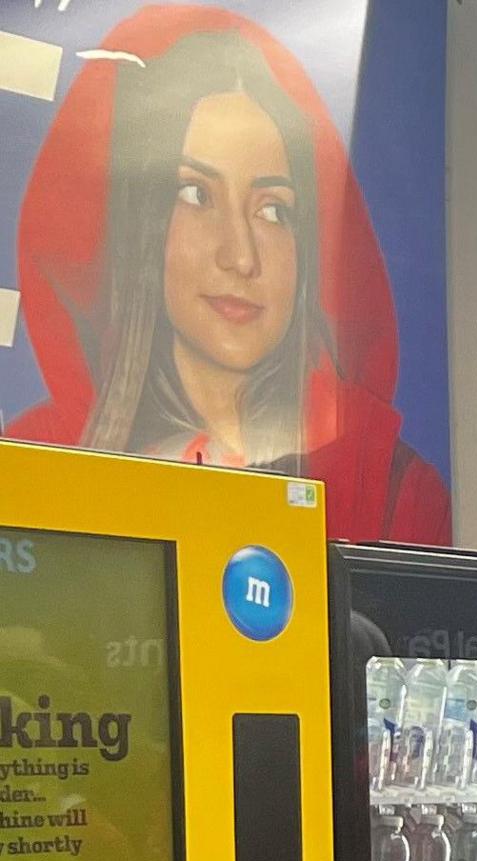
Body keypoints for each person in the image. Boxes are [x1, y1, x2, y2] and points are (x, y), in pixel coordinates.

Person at [4, 8, 451, 539]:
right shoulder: (35, 462)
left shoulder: (393, 491)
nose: (241, 256)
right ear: (142, 225)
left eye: (273, 210)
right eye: (196, 194)